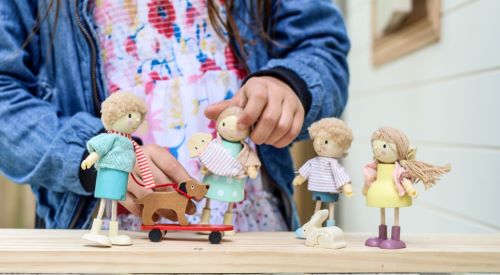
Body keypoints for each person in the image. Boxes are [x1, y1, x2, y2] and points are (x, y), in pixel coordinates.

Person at [0, 0, 350, 231]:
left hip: (250, 227)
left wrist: (291, 83)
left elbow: (320, 45)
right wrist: (98, 156)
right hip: (102, 229)